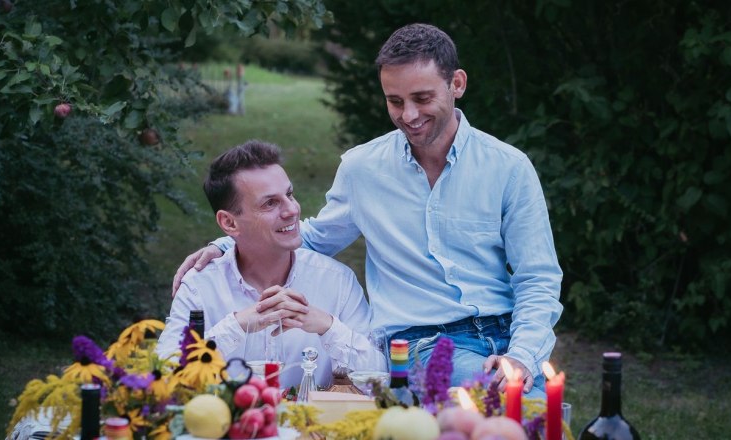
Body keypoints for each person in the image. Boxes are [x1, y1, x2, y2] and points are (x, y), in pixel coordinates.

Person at [172, 23, 563, 396]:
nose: (408, 115)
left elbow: (538, 277)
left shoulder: (509, 167)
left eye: (422, 98)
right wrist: (227, 244)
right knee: (511, 415)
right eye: (395, 101)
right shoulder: (362, 169)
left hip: (505, 333)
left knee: (541, 418)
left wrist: (521, 355)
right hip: (419, 343)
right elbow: (315, 236)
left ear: (457, 84)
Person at [157, 140, 381, 389]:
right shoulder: (200, 287)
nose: (292, 210)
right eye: (270, 203)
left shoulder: (336, 281)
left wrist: (329, 327)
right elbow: (164, 378)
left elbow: (379, 379)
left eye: (289, 194)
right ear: (230, 224)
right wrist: (237, 326)